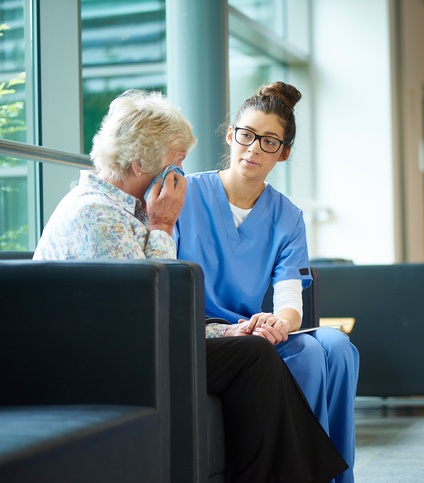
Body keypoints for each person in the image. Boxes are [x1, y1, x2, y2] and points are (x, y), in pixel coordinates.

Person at [33, 89, 348, 483]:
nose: (179, 175)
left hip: (136, 343)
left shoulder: (126, 211)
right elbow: (158, 310)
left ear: (282, 151)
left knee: (291, 352)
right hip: (105, 357)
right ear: (140, 164)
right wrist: (164, 226)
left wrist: (236, 328)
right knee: (254, 358)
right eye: (175, 163)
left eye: (268, 142)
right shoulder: (100, 216)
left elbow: (156, 308)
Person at [173, 81, 359, 483]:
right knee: (308, 354)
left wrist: (280, 322)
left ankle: (338, 478)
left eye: (270, 141)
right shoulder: (185, 195)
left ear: (284, 152)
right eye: (247, 135)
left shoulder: (287, 216)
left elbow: (289, 294)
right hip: (211, 334)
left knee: (339, 348)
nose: (254, 148)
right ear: (230, 135)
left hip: (260, 328)